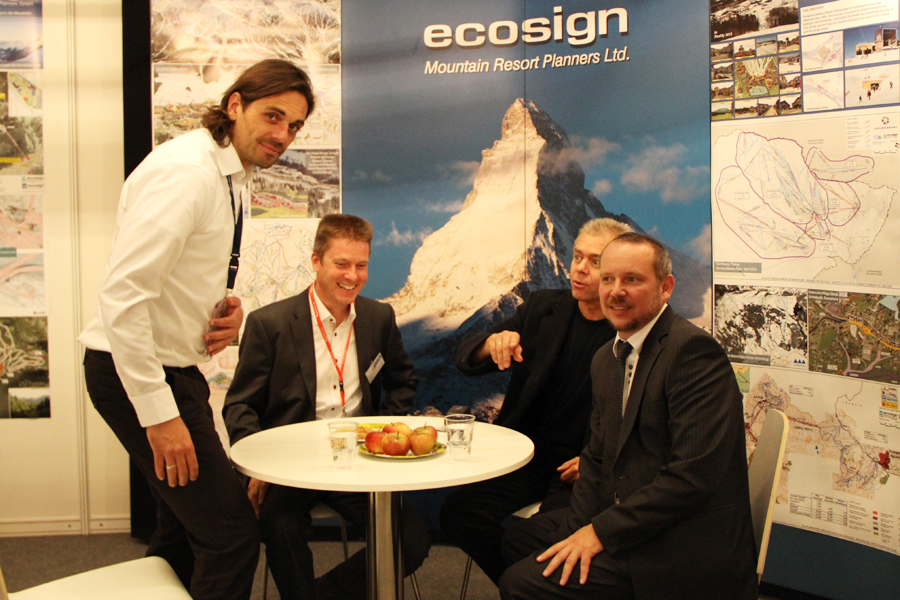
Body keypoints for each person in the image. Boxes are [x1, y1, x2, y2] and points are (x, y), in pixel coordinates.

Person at [78, 59, 315, 600]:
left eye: (295, 126)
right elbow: (122, 296)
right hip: (136, 373)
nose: (283, 135)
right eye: (273, 116)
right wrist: (158, 415)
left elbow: (176, 272)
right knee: (231, 537)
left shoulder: (228, 172)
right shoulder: (186, 173)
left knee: (183, 532)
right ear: (235, 105)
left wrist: (224, 310)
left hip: (173, 369)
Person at [499, 233, 757, 600]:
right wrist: (575, 532)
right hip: (632, 515)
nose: (616, 291)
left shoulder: (692, 352)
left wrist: (599, 532)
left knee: (521, 583)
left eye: (632, 279)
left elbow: (692, 478)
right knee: (518, 541)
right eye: (608, 279)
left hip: (681, 542)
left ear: (665, 288)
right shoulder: (608, 357)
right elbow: (596, 458)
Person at [223, 214, 430, 600]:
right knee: (280, 528)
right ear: (316, 261)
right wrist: (258, 463)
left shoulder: (378, 317)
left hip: (361, 459)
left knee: (411, 541)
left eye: (361, 265)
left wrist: (382, 435)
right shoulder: (270, 324)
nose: (353, 276)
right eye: (342, 264)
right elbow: (240, 405)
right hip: (288, 463)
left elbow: (403, 382)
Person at [440, 218, 633, 585]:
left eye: (595, 261)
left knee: (534, 541)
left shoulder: (631, 330)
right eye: (577, 256)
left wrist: (601, 459)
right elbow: (465, 358)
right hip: (525, 456)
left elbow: (645, 419)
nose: (579, 268)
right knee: (458, 513)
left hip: (580, 469)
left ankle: (528, 586)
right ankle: (522, 588)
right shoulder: (543, 308)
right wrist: (489, 345)